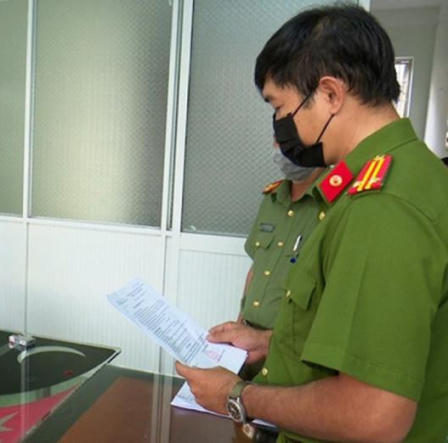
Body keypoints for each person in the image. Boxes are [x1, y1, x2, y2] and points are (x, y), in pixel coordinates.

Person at [176, 5, 448, 442]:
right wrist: (271, 343)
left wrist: (235, 395)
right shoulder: (413, 175)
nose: (280, 125)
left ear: (330, 94)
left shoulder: (382, 204)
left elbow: (374, 414)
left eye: (281, 106)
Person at [232, 157, 323, 378]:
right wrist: (240, 321)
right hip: (247, 341)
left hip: (292, 349)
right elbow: (258, 266)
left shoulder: (334, 204)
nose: (281, 147)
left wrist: (268, 340)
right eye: (277, 140)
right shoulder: (272, 199)